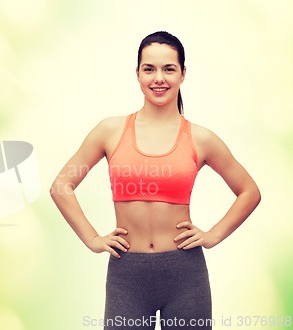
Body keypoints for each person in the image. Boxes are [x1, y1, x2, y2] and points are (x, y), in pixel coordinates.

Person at [49, 31, 261, 330]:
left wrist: (212, 236)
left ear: (183, 74)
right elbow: (61, 186)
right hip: (127, 276)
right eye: (149, 69)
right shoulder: (110, 131)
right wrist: (92, 239)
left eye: (168, 69)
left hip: (185, 275)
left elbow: (249, 191)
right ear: (137, 73)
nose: (158, 78)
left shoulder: (200, 138)